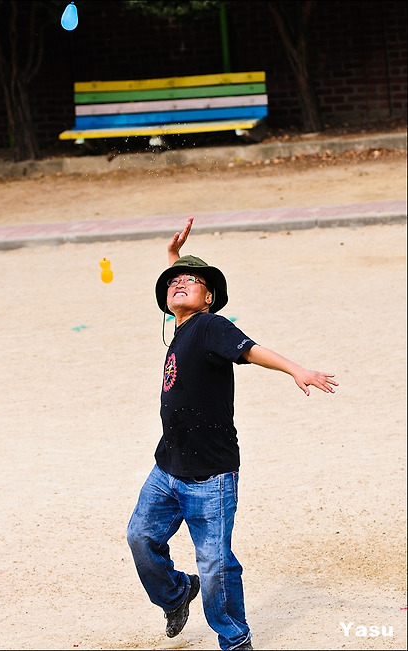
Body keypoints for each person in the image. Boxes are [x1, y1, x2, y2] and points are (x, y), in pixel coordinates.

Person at [127, 218, 338, 650]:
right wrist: (174, 259)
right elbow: (180, 289)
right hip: (167, 466)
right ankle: (176, 593)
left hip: (210, 476)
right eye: (173, 282)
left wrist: (296, 368)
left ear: (209, 299)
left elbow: (249, 349)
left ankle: (235, 639)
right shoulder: (183, 325)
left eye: (192, 281)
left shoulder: (210, 326)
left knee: (216, 565)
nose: (179, 283)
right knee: (140, 537)